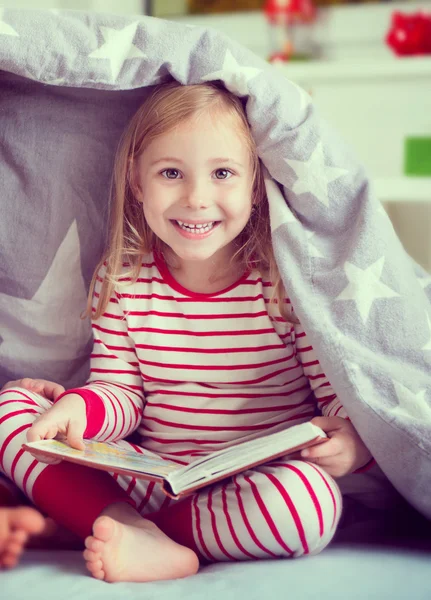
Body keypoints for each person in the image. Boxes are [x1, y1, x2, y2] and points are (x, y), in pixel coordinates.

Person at [0, 81, 376, 582]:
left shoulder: (282, 283)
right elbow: (122, 392)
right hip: (152, 476)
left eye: (222, 173)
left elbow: (335, 395)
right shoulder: (123, 278)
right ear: (137, 183)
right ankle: (128, 525)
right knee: (13, 411)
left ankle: (121, 529)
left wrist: (354, 443)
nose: (197, 198)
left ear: (253, 186)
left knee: (310, 501)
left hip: (256, 484)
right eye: (171, 173)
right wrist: (81, 411)